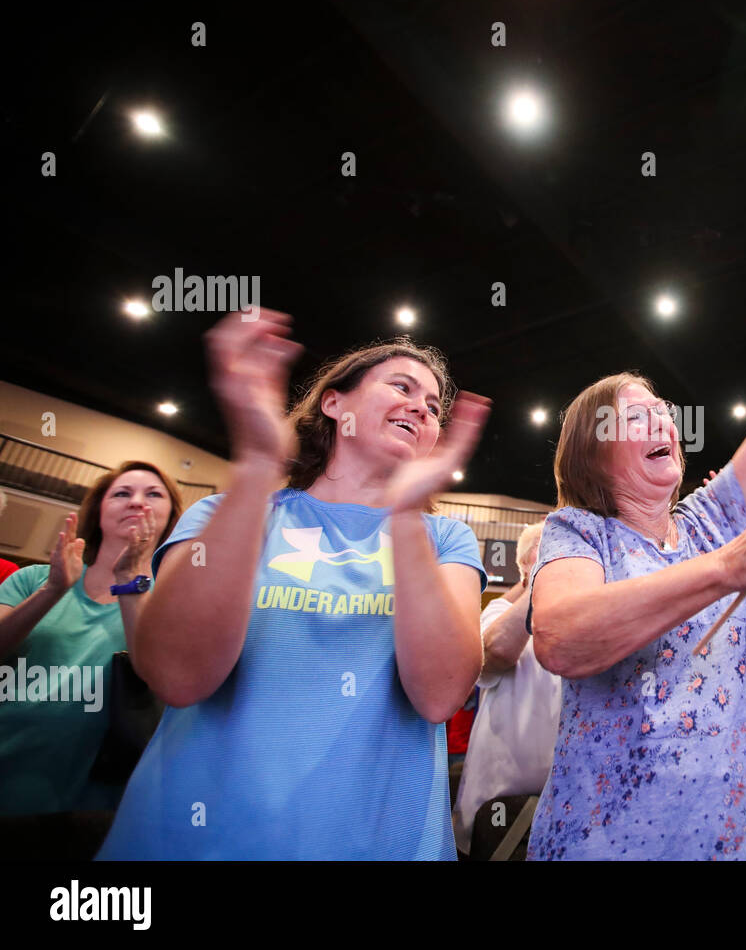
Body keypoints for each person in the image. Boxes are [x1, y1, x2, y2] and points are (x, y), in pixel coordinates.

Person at [97, 309, 489, 860]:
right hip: (199, 839)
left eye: (432, 407)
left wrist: (402, 514)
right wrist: (258, 462)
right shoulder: (226, 514)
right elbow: (177, 676)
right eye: (401, 386)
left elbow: (439, 694)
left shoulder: (446, 539)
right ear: (335, 403)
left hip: (376, 842)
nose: (421, 409)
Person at [528, 233, 746, 860]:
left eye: (664, 411)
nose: (664, 421)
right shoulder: (580, 533)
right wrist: (727, 568)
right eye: (635, 415)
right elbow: (560, 638)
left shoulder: (713, 518)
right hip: (626, 841)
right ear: (593, 449)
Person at [0, 462, 180, 815]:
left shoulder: (175, 602)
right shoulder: (34, 578)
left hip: (82, 805)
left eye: (153, 494)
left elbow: (164, 680)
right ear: (99, 511)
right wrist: (52, 592)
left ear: (172, 517)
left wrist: (129, 579)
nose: (137, 502)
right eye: (122, 494)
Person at [452, 522, 561, 854]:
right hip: (497, 813)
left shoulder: (581, 616)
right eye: (555, 549)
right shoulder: (496, 612)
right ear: (529, 565)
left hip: (563, 809)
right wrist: (546, 580)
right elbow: (495, 653)